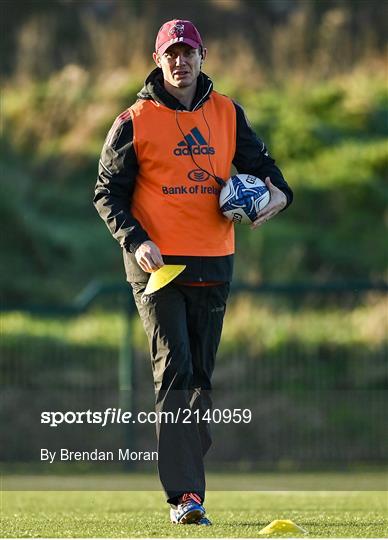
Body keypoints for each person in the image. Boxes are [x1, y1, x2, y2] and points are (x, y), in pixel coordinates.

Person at [94, 19, 293, 525]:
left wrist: (273, 200)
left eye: (189, 53)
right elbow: (107, 193)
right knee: (176, 372)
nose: (180, 62)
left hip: (214, 263)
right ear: (158, 60)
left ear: (204, 56)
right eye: (172, 54)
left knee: (200, 380)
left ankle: (185, 462)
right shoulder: (133, 120)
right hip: (157, 268)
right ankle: (186, 496)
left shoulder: (228, 112)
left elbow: (272, 177)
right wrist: (136, 241)